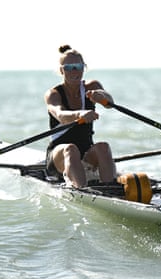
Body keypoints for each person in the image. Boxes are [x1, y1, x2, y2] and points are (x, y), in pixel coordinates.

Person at [44, 45, 117, 188]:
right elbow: (60, 115)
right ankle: (81, 191)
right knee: (71, 149)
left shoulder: (92, 86)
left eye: (78, 66)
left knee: (103, 147)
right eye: (69, 67)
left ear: (84, 68)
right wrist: (79, 114)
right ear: (61, 70)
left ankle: (111, 189)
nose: (75, 71)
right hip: (59, 156)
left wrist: (102, 96)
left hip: (86, 154)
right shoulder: (53, 94)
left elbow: (110, 103)